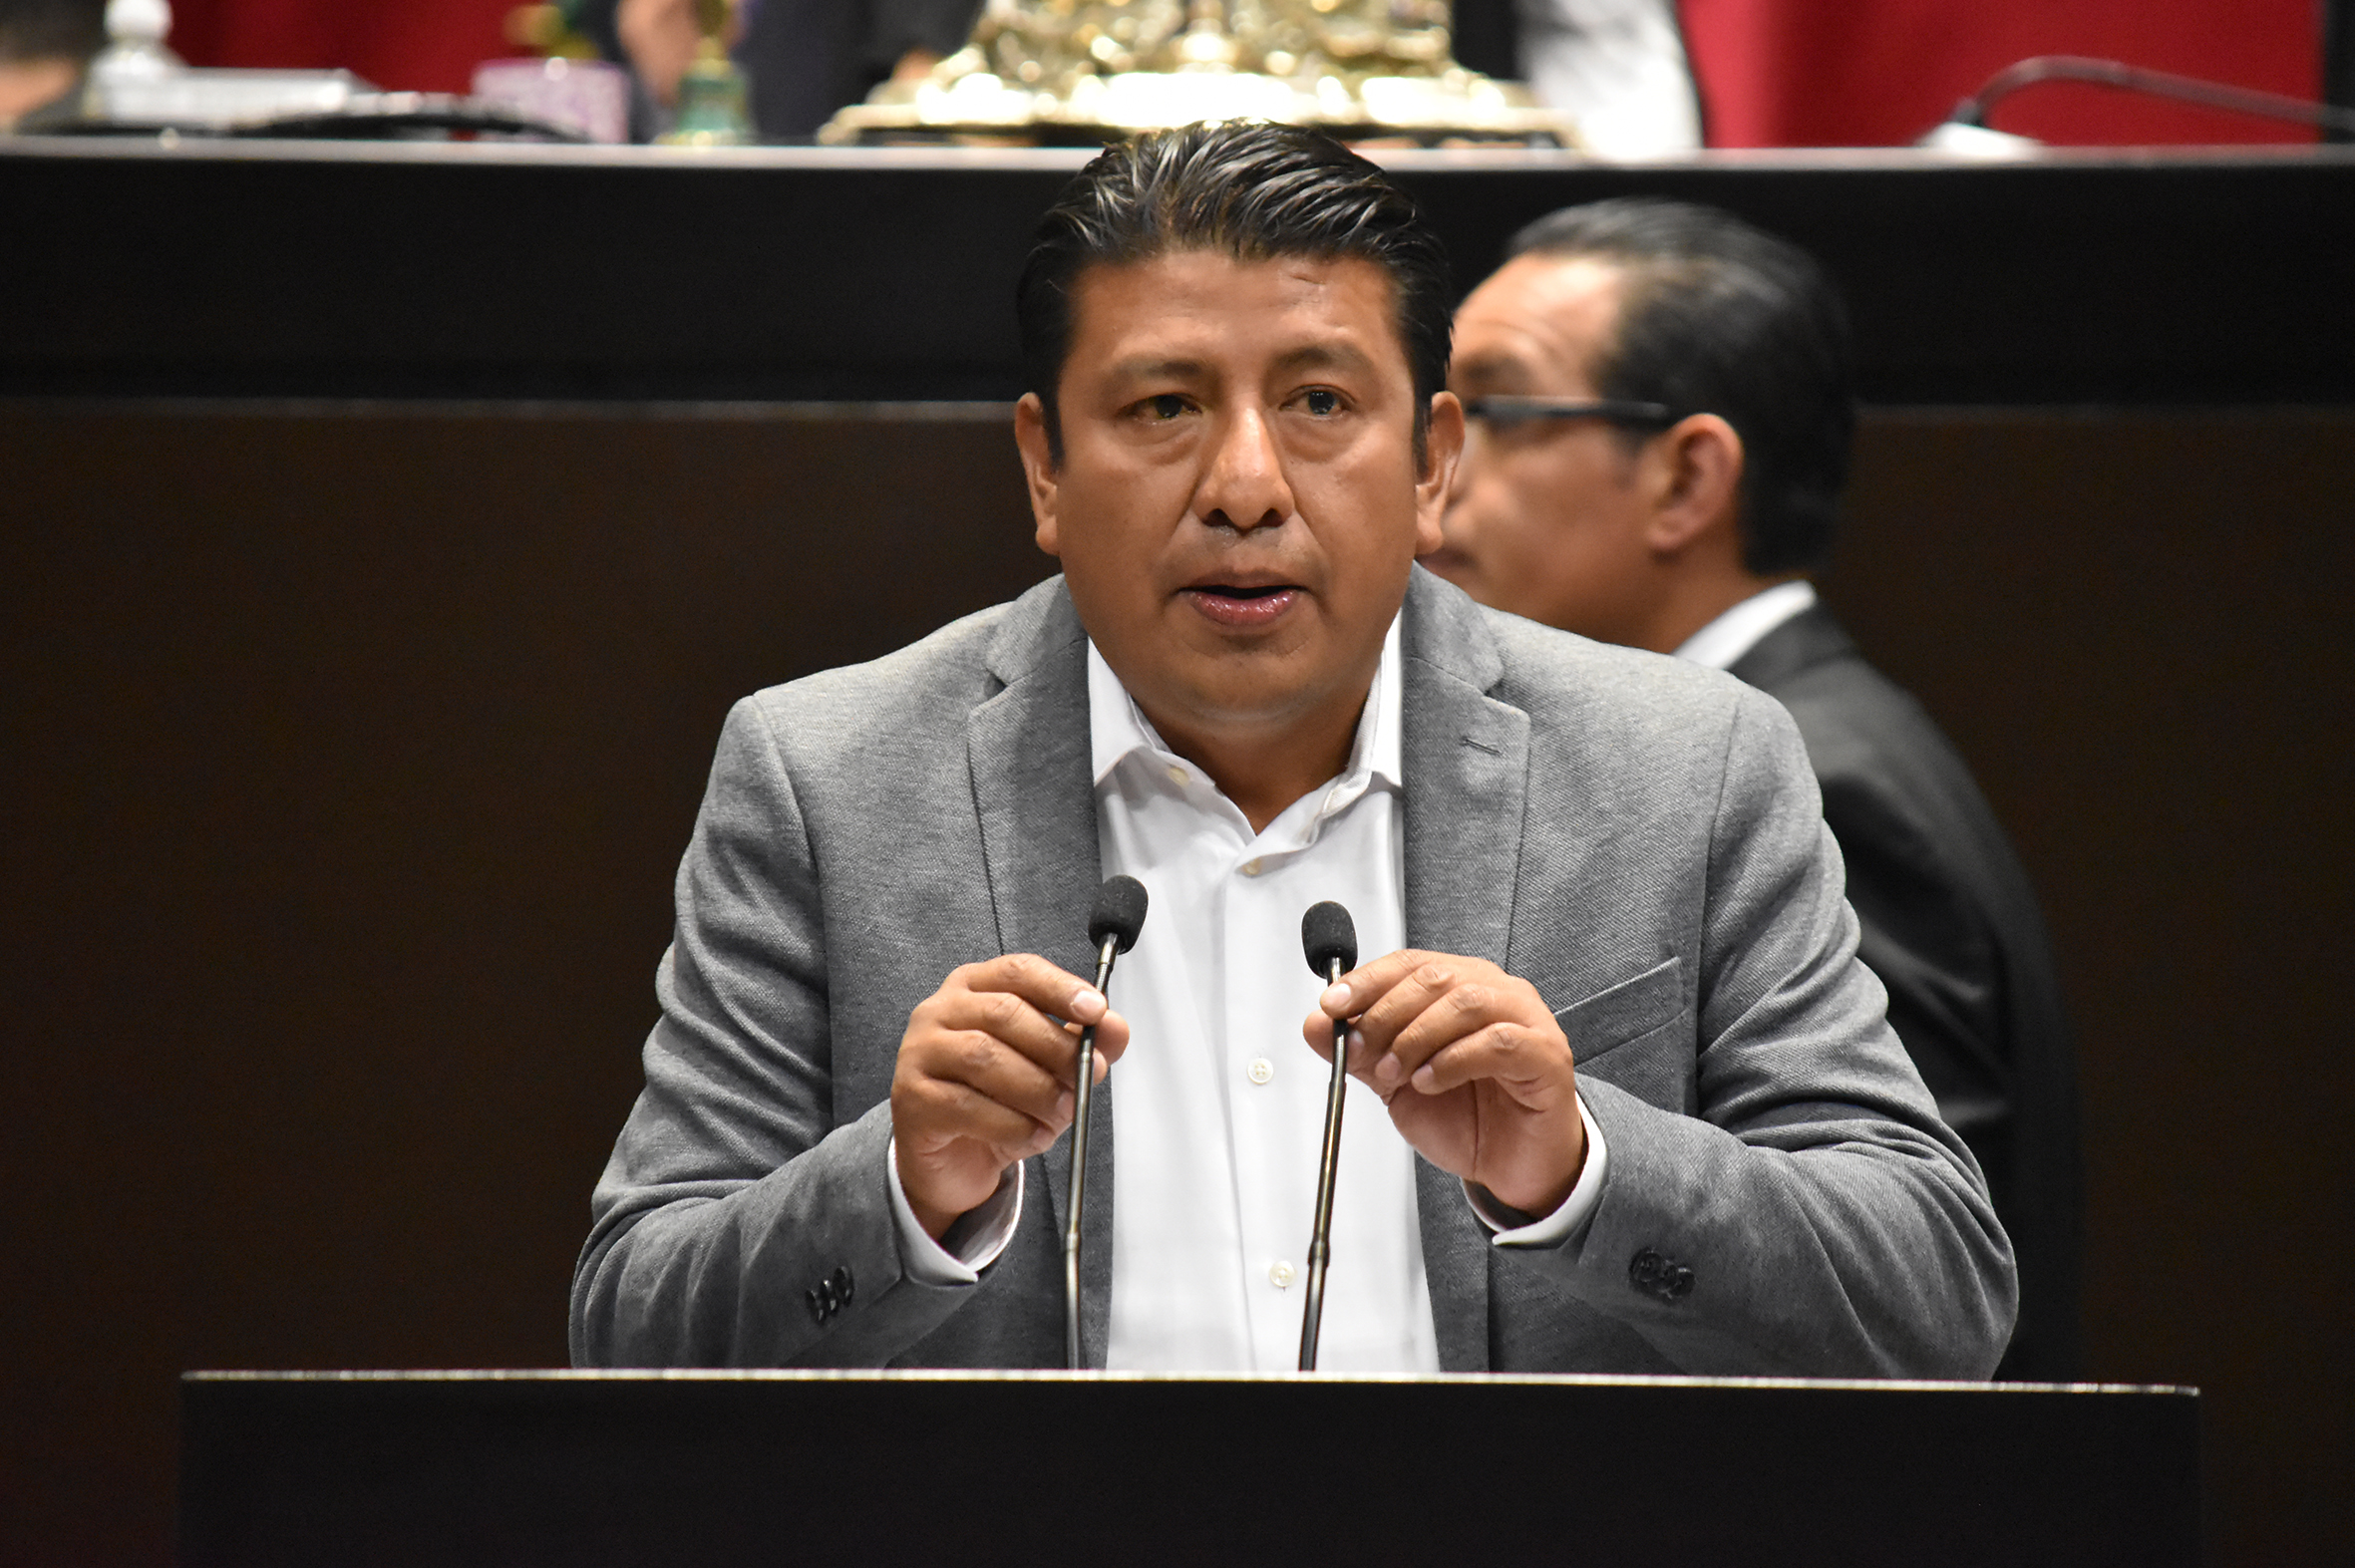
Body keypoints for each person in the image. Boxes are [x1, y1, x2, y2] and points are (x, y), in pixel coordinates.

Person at [569, 123, 2013, 1377]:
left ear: (1432, 462)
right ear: (1044, 468)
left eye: (1320, 403)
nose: (1246, 486)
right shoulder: (827, 779)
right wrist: (898, 1187)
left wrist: (1578, 1165)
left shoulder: (1684, 768)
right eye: (1163, 407)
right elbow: (632, 1325)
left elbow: (1935, 1297)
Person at [1429, 196, 2081, 1379]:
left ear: (1687, 479)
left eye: (1497, 410)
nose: (1434, 471)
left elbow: (1901, 1284)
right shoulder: (1830, 727)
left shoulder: (1819, 781)